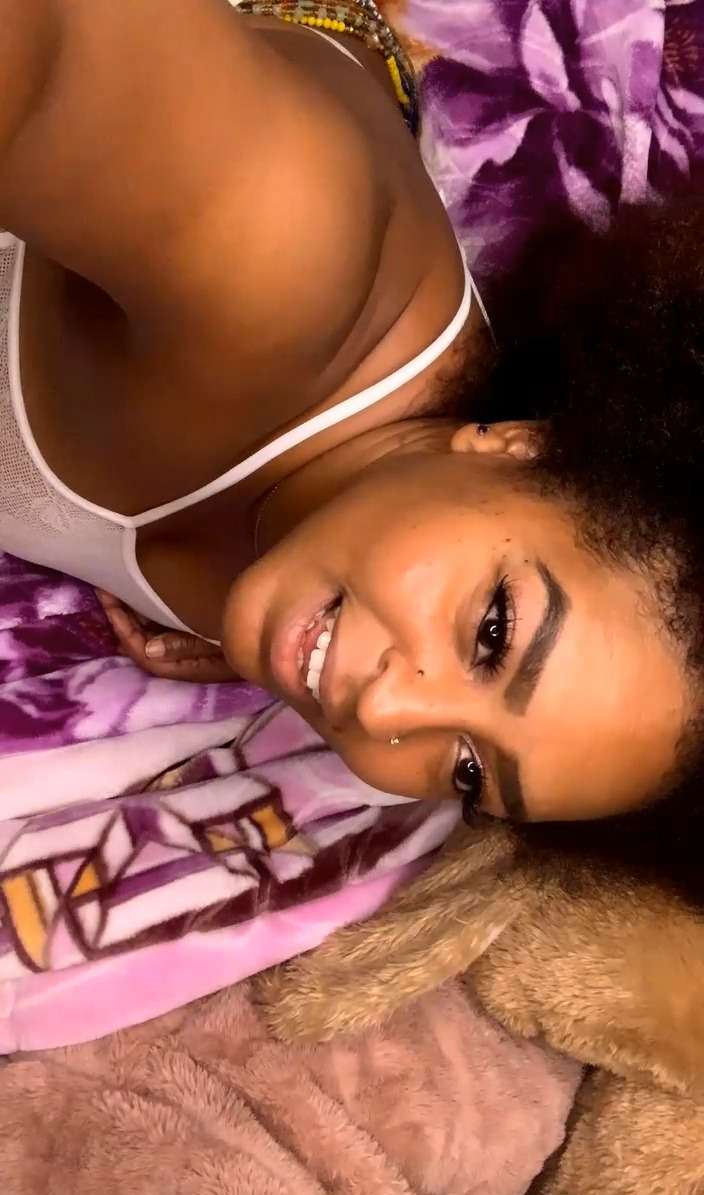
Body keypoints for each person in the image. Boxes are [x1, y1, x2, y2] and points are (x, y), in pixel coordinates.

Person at [0, 1, 701, 831]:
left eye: (469, 769)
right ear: (520, 445)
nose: (383, 715)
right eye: (492, 632)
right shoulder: (288, 258)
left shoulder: (340, 556)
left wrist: (266, 631)